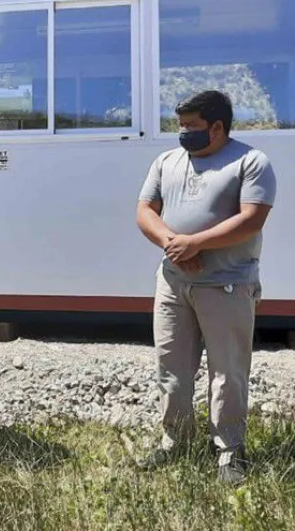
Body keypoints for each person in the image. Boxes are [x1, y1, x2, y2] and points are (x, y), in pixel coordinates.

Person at [136, 90, 276, 485]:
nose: (183, 133)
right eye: (180, 125)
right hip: (173, 283)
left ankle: (229, 452)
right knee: (171, 369)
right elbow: (145, 210)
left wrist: (197, 243)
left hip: (227, 285)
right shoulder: (167, 161)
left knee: (227, 371)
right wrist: (173, 245)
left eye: (192, 126)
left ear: (218, 127)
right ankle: (175, 442)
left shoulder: (251, 162)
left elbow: (252, 219)